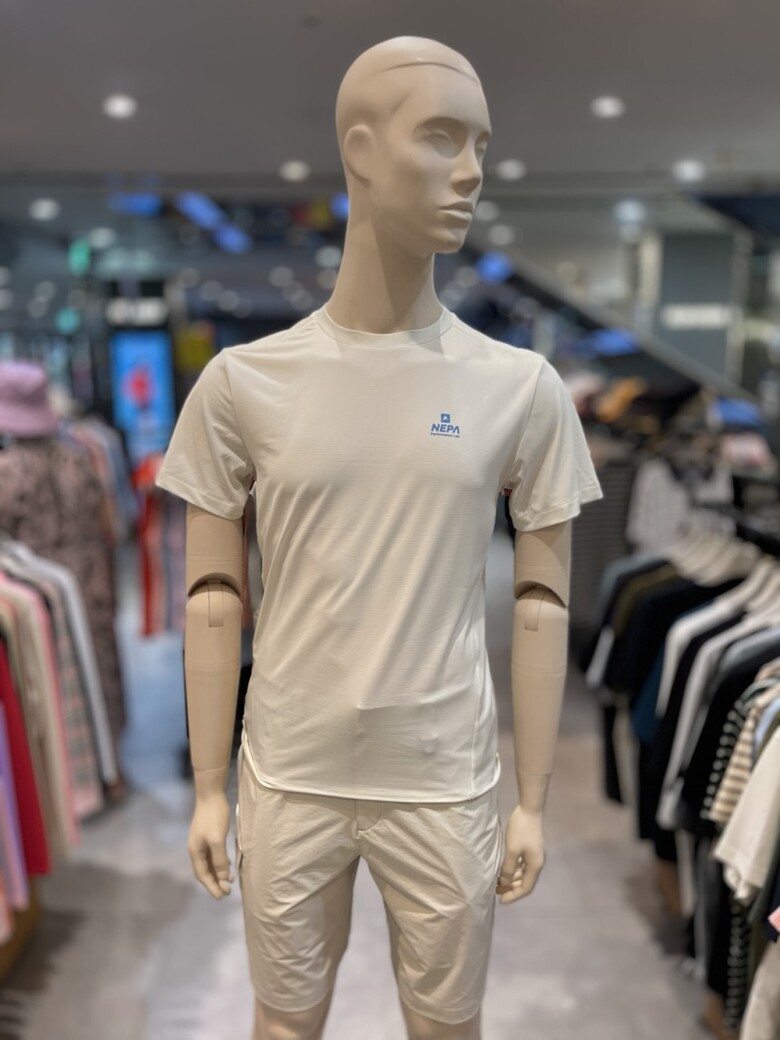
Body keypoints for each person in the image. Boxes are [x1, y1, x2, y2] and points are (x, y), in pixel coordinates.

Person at [156, 36, 602, 1040]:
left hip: (443, 776)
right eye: (442, 137)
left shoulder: (519, 388)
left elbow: (542, 602)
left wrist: (532, 801)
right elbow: (212, 597)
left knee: (446, 1024)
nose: (472, 170)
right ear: (359, 149)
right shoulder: (242, 384)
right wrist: (211, 787)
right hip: (288, 770)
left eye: (480, 143)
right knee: (285, 1020)